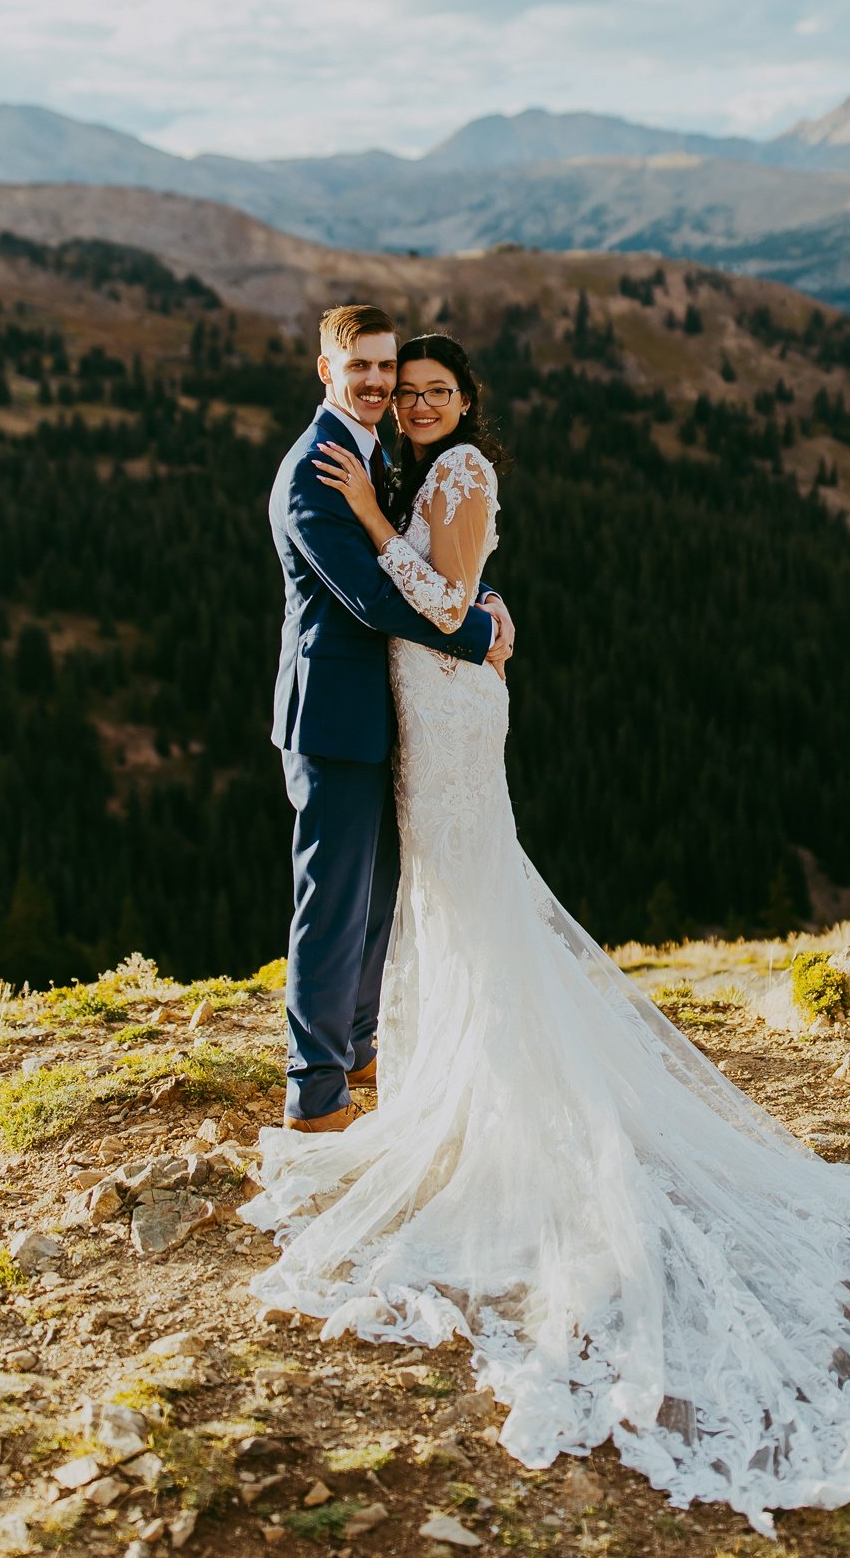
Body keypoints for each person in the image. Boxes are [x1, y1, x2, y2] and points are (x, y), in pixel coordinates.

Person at [245, 328, 850, 1539]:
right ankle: (352, 1073)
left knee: (458, 894)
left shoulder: (441, 470)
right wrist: (452, 589)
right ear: (335, 375)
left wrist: (464, 600)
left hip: (442, 712)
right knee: (391, 900)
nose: (402, 400)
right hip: (398, 707)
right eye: (389, 384)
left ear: (464, 401)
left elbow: (440, 590)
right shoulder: (349, 468)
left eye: (424, 388)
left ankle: (381, 1086)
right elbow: (405, 595)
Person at [267, 304, 513, 1133]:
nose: (378, 384)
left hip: (384, 714)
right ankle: (315, 1090)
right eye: (362, 368)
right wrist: (477, 631)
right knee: (331, 902)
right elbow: (372, 597)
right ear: (325, 370)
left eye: (387, 369)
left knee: (371, 901)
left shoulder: (374, 451)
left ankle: (359, 1046)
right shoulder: (317, 469)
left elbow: (428, 556)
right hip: (332, 715)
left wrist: (479, 593)